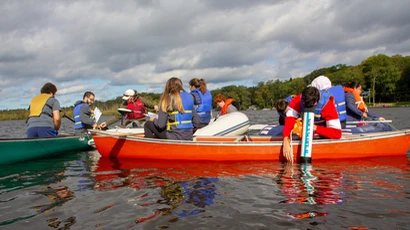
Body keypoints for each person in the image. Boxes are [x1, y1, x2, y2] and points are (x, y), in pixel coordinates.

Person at [282, 86, 342, 162]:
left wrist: (314, 128)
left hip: (321, 130)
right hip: (306, 129)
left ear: (316, 102)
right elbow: (289, 119)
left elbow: (337, 133)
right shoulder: (299, 99)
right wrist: (286, 139)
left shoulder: (327, 104)